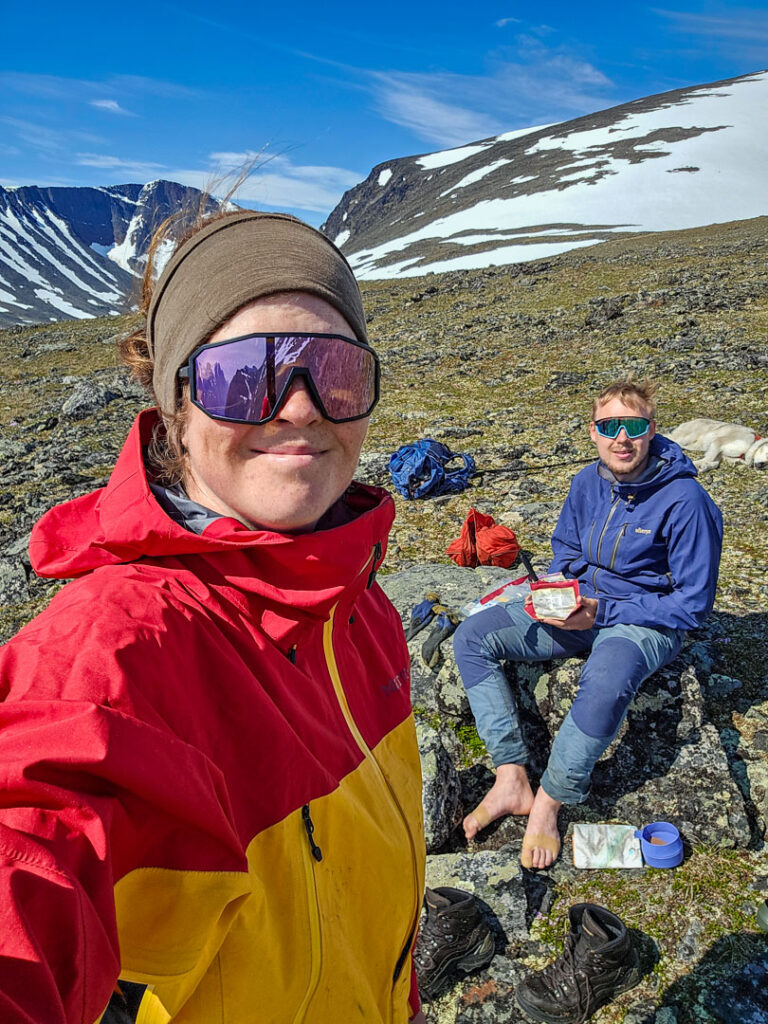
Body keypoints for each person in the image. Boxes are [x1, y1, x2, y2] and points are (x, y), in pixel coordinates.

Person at [0, 210, 427, 1023]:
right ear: (177, 411)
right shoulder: (115, 646)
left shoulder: (359, 607)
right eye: (245, 375)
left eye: (332, 373)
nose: (300, 408)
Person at [452, 378, 723, 869]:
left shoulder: (688, 502)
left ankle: (551, 800)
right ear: (593, 432)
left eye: (634, 426)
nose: (622, 438)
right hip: (581, 606)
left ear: (652, 429)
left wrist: (605, 612)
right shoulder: (585, 482)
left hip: (644, 619)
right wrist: (560, 592)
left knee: (607, 677)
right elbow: (567, 549)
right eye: (608, 426)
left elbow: (693, 604)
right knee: (474, 635)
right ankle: (511, 775)